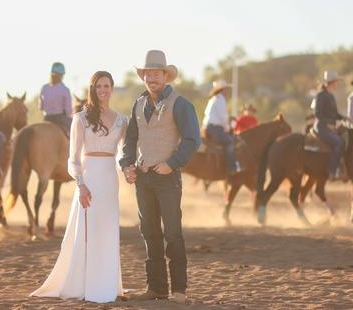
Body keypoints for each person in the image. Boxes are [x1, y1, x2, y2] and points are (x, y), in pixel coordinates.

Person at [31, 71, 127, 303]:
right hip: (89, 179)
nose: (103, 90)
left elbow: (122, 154)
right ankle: (81, 283)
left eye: (107, 85)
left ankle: (106, 283)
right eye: (98, 86)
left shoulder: (123, 120)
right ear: (92, 89)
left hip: (109, 180)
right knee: (86, 232)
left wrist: (127, 169)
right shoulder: (81, 118)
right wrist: (81, 185)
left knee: (107, 231)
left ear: (112, 88)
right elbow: (72, 159)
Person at [119, 50, 201, 304]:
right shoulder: (138, 103)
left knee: (173, 233)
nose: (151, 77)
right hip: (143, 179)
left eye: (156, 73)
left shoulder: (181, 104)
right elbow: (130, 139)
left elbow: (192, 140)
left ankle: (179, 290)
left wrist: (173, 163)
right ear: (143, 77)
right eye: (147, 74)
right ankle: (156, 288)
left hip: (167, 178)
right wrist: (127, 165)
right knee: (149, 232)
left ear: (165, 75)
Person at [312, 70, 347, 181]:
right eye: (335, 82)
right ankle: (332, 170)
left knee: (345, 138)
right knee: (338, 143)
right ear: (331, 83)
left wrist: (344, 118)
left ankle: (341, 168)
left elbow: (335, 114)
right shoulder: (321, 95)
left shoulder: (330, 96)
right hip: (321, 127)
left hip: (329, 126)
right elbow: (317, 113)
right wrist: (328, 124)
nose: (337, 84)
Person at [203, 80, 242, 175]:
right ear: (222, 90)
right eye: (226, 89)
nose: (227, 92)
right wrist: (228, 128)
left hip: (209, 127)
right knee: (229, 142)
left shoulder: (213, 99)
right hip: (215, 128)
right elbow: (222, 118)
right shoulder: (220, 100)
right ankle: (231, 168)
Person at [40, 62, 73, 135]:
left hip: (47, 118)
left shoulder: (44, 88)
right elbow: (68, 111)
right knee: (74, 129)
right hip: (60, 119)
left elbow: (41, 107)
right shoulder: (65, 89)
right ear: (62, 75)